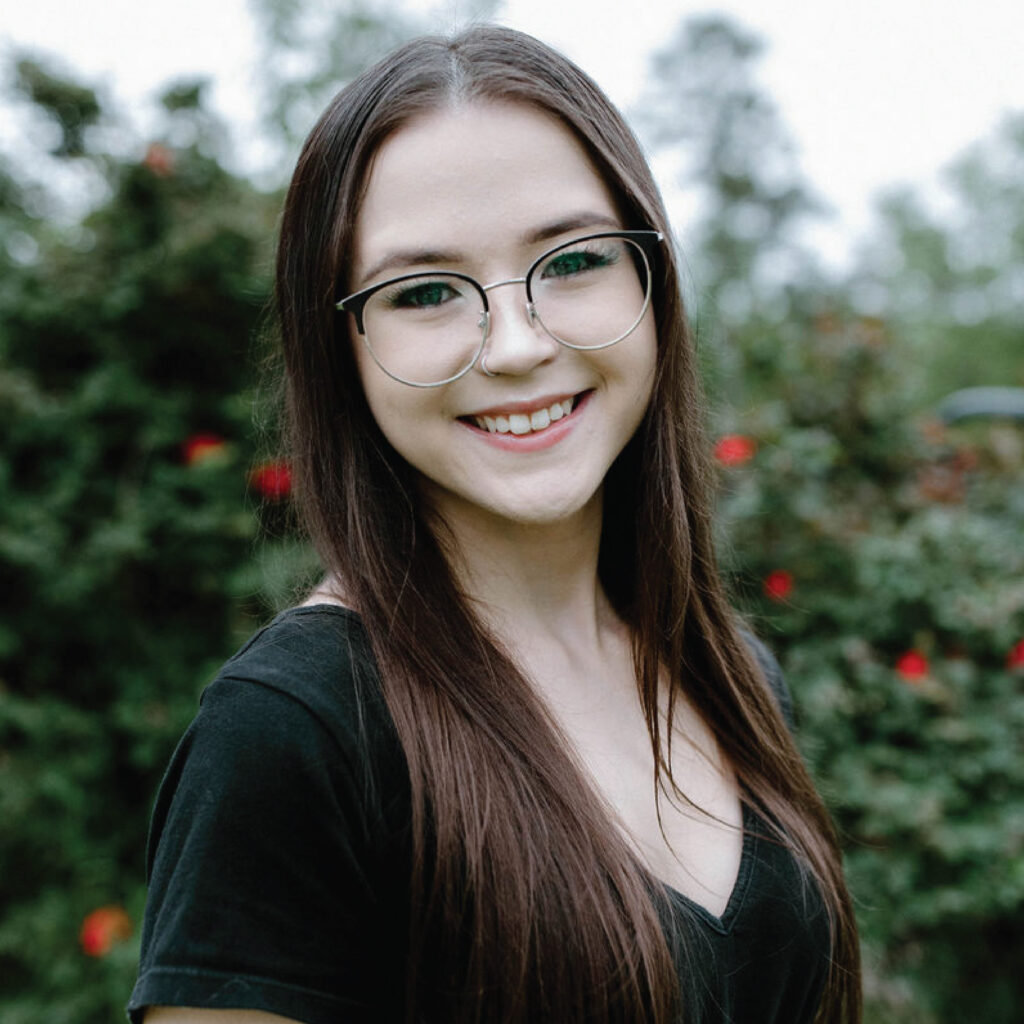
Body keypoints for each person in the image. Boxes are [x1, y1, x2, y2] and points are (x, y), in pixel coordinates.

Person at [128, 25, 861, 1024]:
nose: (516, 344)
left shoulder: (730, 674)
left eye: (571, 260)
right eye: (424, 290)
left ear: (651, 282)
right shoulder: (295, 734)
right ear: (340, 343)